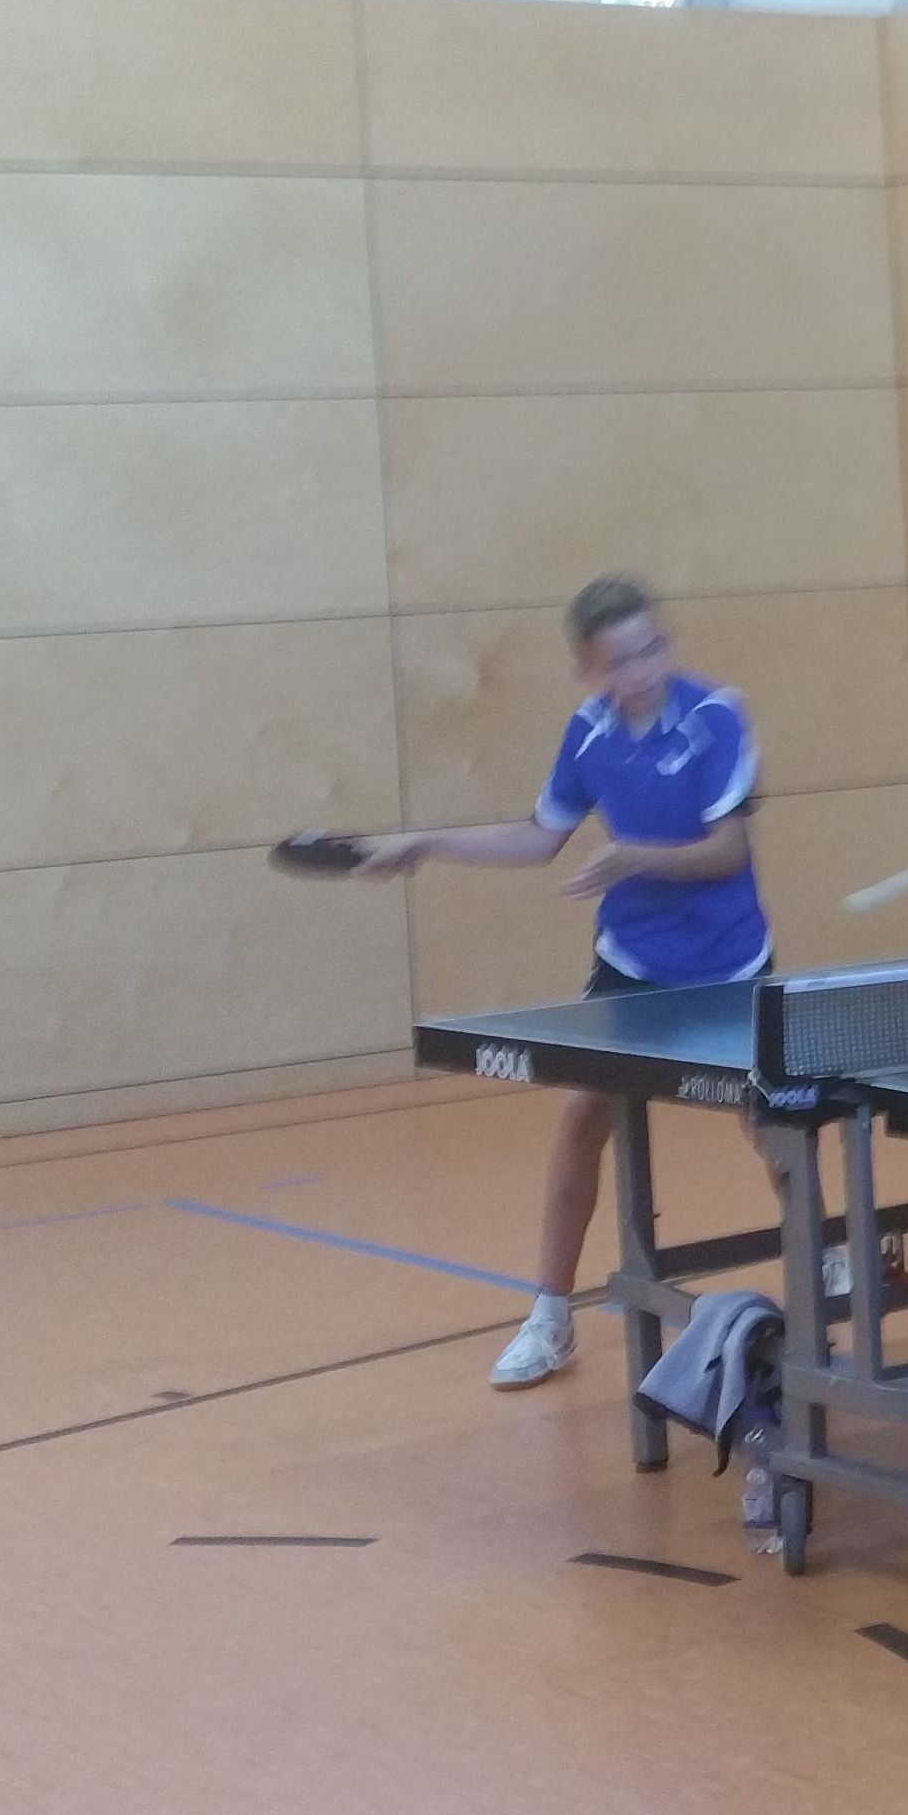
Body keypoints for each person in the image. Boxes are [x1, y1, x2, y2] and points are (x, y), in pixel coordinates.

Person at [347, 576, 770, 1388]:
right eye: (621, 660)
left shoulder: (716, 717)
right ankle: (550, 1317)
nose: (641, 669)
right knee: (581, 1119)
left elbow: (729, 851)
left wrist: (635, 857)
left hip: (730, 964)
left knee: (770, 1123)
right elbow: (539, 838)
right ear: (588, 669)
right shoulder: (588, 734)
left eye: (651, 649)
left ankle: (826, 1263)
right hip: (634, 964)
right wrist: (425, 842)